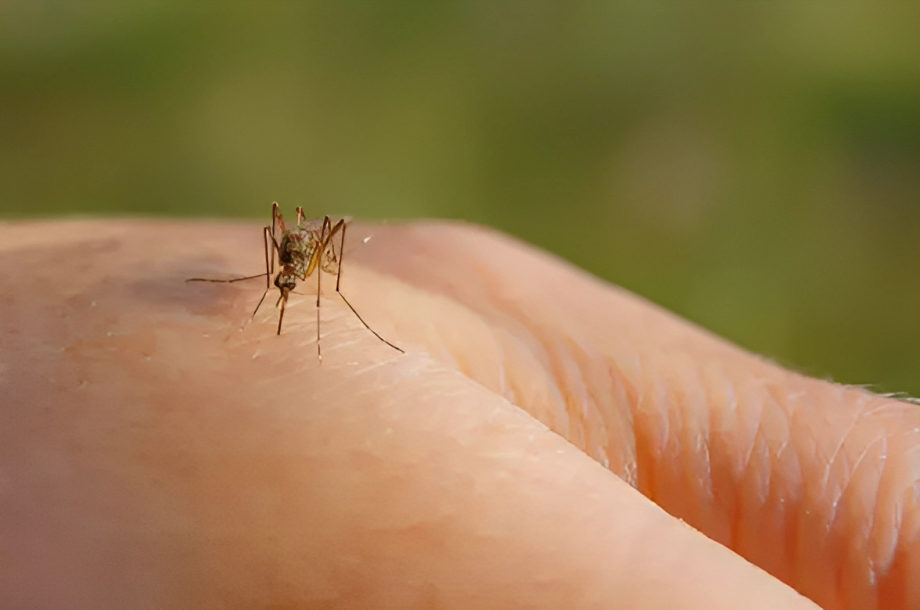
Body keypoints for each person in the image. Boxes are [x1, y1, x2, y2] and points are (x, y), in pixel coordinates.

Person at [1, 219, 917, 610]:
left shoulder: (315, 258)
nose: (288, 274)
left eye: (290, 269)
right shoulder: (279, 258)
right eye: (285, 271)